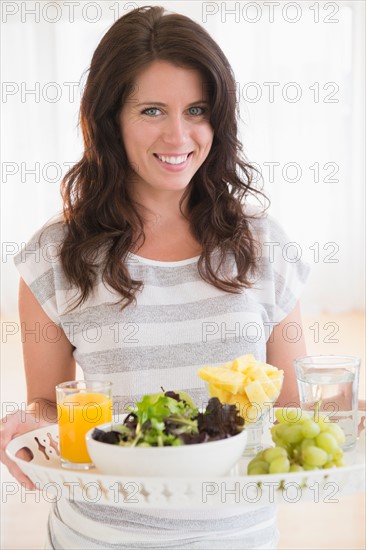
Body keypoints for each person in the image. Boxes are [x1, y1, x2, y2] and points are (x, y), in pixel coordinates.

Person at [0, 5, 310, 549]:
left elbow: (293, 405)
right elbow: (49, 405)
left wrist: (345, 416)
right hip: (99, 536)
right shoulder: (55, 255)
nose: (178, 135)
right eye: (151, 110)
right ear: (108, 120)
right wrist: (28, 427)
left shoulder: (262, 243)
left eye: (196, 109)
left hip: (239, 536)